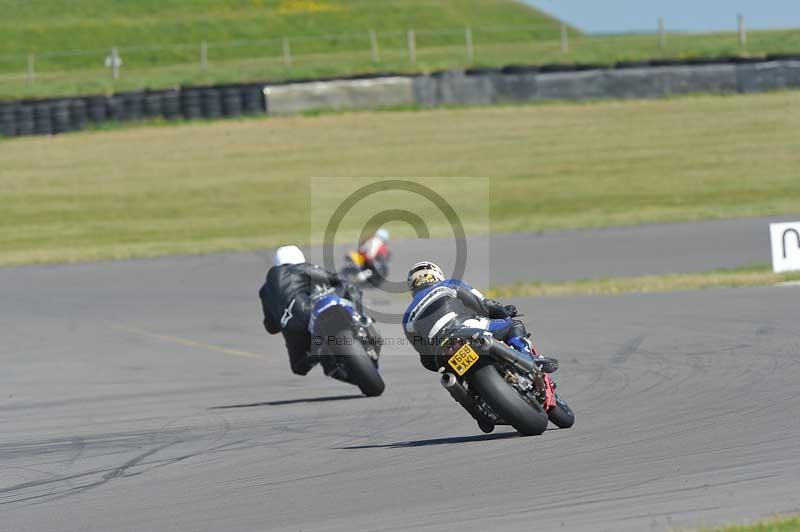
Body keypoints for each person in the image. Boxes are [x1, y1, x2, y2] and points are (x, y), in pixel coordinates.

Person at [401, 261, 557, 373]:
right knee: (513, 326)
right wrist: (503, 311)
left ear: (412, 286)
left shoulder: (407, 316)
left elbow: (424, 354)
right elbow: (482, 304)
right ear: (437, 275)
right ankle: (530, 358)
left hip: (440, 352)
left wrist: (435, 362)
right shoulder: (449, 284)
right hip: (465, 329)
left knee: (448, 374)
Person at [259, 245, 354, 377]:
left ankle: (320, 355)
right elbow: (336, 280)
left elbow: (271, 327)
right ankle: (359, 318)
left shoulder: (264, 291)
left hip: (292, 330)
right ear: (299, 259)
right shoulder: (300, 268)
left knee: (299, 367)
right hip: (310, 312)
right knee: (349, 287)